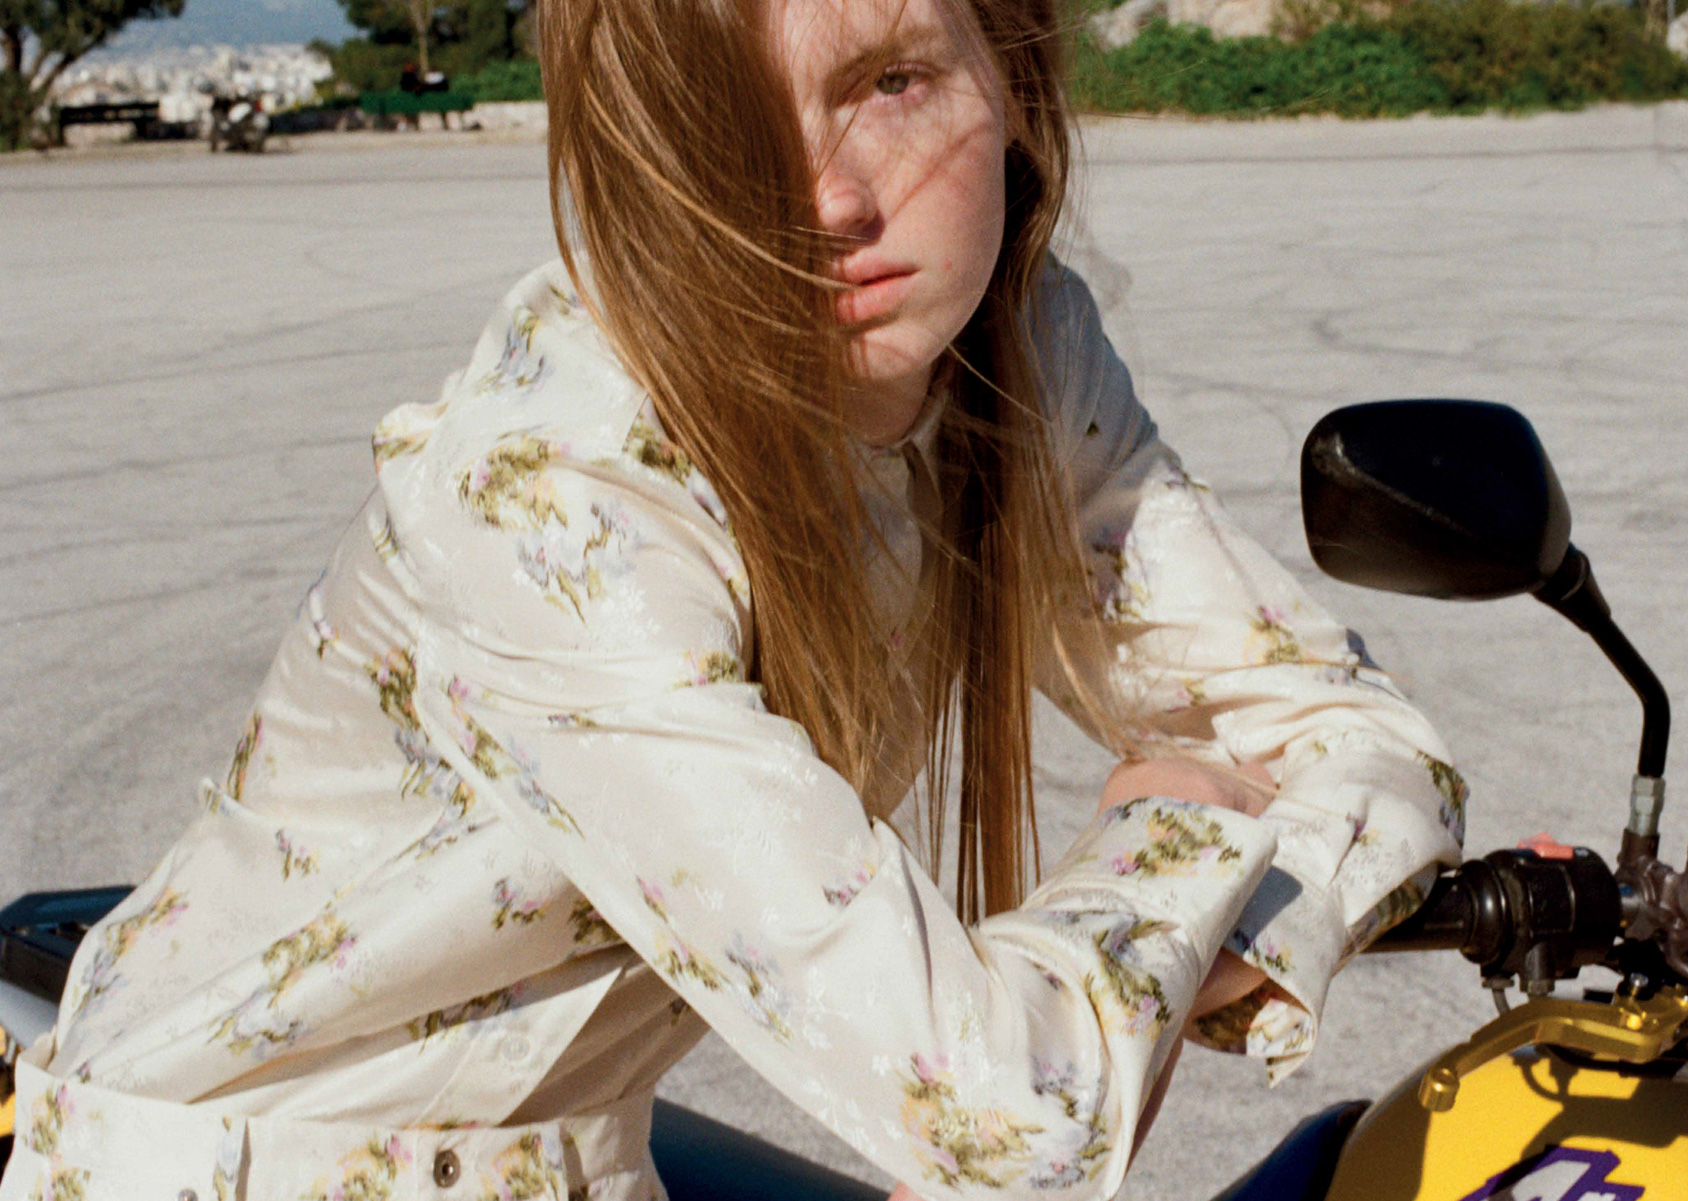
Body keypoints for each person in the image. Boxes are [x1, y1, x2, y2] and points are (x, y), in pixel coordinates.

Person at [0, 0, 1466, 1198]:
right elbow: (1003, 1120)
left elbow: (1355, 732)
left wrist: (1206, 940)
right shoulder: (556, 489)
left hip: (563, 1159)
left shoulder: (1018, 356)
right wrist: (1173, 838)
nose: (827, 203)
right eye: (724, 121)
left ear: (1013, 76)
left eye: (890, 83)